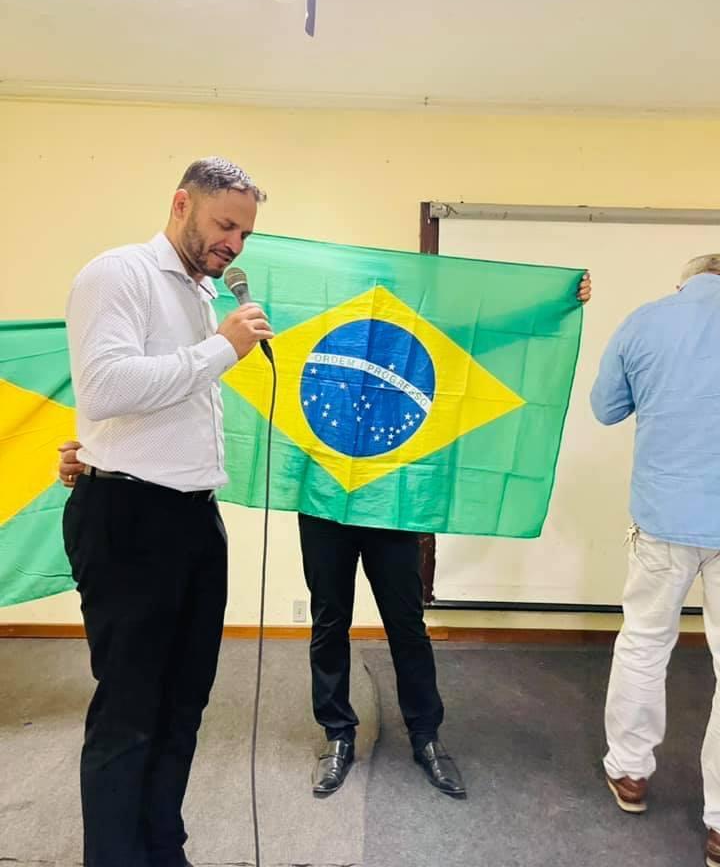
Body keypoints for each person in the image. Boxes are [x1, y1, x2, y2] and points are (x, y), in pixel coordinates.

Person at [61, 255, 592, 802]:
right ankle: (337, 733)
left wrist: (552, 300)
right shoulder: (304, 338)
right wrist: (99, 449)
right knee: (329, 620)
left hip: (392, 507)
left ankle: (426, 735)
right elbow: (198, 363)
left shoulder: (413, 344)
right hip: (322, 503)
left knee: (406, 624)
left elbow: (484, 336)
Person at [59, 156, 273, 867]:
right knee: (130, 710)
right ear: (182, 204)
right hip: (130, 519)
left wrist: (214, 345)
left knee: (184, 703)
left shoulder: (202, 295)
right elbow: (105, 388)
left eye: (244, 234)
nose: (233, 244)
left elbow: (154, 408)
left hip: (192, 520)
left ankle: (160, 846)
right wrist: (221, 350)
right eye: (224, 225)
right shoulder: (118, 274)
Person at [591, 254, 720, 867]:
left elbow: (605, 408)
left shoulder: (648, 320)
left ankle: (631, 773)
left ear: (683, 283)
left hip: (664, 518)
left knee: (644, 644)